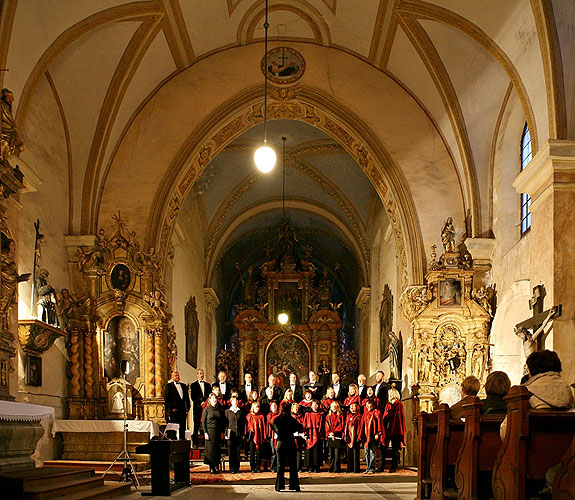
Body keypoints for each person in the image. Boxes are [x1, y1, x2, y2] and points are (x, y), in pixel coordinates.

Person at [272, 400, 303, 492]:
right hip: (290, 442)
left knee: (280, 465)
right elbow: (299, 427)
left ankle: (279, 486)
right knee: (293, 465)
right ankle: (294, 485)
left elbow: (272, 425)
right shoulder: (291, 419)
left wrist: (279, 431)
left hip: (281, 442)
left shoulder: (277, 419)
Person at [382, 388, 406, 473]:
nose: (390, 396)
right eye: (389, 394)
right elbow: (385, 416)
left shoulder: (399, 404)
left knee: (395, 449)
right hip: (388, 428)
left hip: (396, 428)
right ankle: (382, 466)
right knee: (384, 447)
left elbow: (400, 417)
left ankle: (394, 466)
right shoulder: (388, 405)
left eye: (392, 394)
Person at [163, 370, 190, 440]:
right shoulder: (169, 386)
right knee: (173, 428)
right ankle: (173, 442)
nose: (177, 376)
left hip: (182, 410)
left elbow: (186, 397)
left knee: (183, 427)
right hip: (174, 411)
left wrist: (188, 407)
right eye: (175, 375)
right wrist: (171, 408)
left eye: (178, 375)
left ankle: (182, 441)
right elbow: (166, 398)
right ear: (172, 377)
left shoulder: (183, 386)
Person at [202, 393, 225, 474]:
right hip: (209, 431)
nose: (214, 400)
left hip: (218, 431)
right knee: (210, 450)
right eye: (213, 399)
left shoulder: (219, 409)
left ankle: (216, 466)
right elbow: (203, 422)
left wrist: (222, 432)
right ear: (209, 400)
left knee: (217, 449)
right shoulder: (207, 409)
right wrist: (205, 432)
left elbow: (222, 421)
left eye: (215, 399)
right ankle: (211, 467)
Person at [361, 398, 383, 475]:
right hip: (366, 435)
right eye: (366, 405)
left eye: (369, 404)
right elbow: (362, 425)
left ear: (372, 405)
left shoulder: (376, 412)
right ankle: (368, 467)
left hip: (373, 435)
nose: (367, 406)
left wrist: (377, 433)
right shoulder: (365, 413)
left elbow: (379, 423)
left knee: (372, 452)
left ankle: (372, 468)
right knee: (367, 453)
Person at [189, 368, 210, 446]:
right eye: (200, 373)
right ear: (197, 374)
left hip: (206, 408)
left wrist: (205, 403)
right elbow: (193, 397)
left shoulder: (208, 385)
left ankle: (206, 443)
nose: (202, 375)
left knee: (205, 425)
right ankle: (195, 443)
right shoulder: (193, 385)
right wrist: (200, 403)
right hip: (197, 408)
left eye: (202, 373)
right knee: (196, 425)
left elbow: (209, 396)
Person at [245, 401, 267, 473]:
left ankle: (258, 467)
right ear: (253, 408)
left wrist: (264, 436)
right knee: (252, 453)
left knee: (259, 453)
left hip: (259, 436)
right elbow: (247, 426)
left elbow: (263, 426)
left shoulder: (261, 416)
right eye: (256, 407)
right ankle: (252, 468)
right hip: (252, 437)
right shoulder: (249, 416)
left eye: (258, 407)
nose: (257, 408)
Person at [304, 400, 324, 472]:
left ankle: (316, 467)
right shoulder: (307, 414)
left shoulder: (321, 414)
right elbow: (305, 424)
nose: (315, 406)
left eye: (316, 405)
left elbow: (322, 425)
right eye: (313, 405)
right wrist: (305, 433)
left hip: (318, 434)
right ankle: (310, 467)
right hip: (310, 434)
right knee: (309, 451)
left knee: (317, 451)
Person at [225, 396, 243, 474]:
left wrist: (242, 434)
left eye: (236, 401)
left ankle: (237, 468)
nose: (235, 402)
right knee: (231, 452)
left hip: (238, 434)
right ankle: (232, 468)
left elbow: (242, 424)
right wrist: (226, 434)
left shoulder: (240, 411)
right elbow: (225, 424)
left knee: (237, 452)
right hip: (230, 434)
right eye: (233, 401)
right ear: (231, 402)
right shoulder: (227, 411)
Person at [325, 401, 344, 473]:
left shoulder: (340, 416)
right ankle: (331, 468)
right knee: (331, 454)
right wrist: (330, 433)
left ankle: (336, 469)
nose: (334, 408)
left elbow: (341, 426)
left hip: (337, 436)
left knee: (337, 454)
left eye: (335, 407)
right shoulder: (328, 416)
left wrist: (334, 432)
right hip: (330, 436)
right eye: (332, 407)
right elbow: (327, 425)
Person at [343, 402, 362, 473]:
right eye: (351, 406)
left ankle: (356, 469)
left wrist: (359, 436)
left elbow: (360, 427)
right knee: (349, 454)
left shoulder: (359, 416)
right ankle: (349, 468)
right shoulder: (348, 416)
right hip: (349, 437)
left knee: (355, 454)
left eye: (353, 406)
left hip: (355, 436)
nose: (351, 408)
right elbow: (346, 426)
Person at [266, 400, 280, 473]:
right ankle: (273, 467)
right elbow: (268, 426)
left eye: (275, 405)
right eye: (272, 406)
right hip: (272, 436)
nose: (274, 407)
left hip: (280, 436)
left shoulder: (280, 414)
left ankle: (279, 467)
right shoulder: (268, 416)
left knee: (279, 452)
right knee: (273, 452)